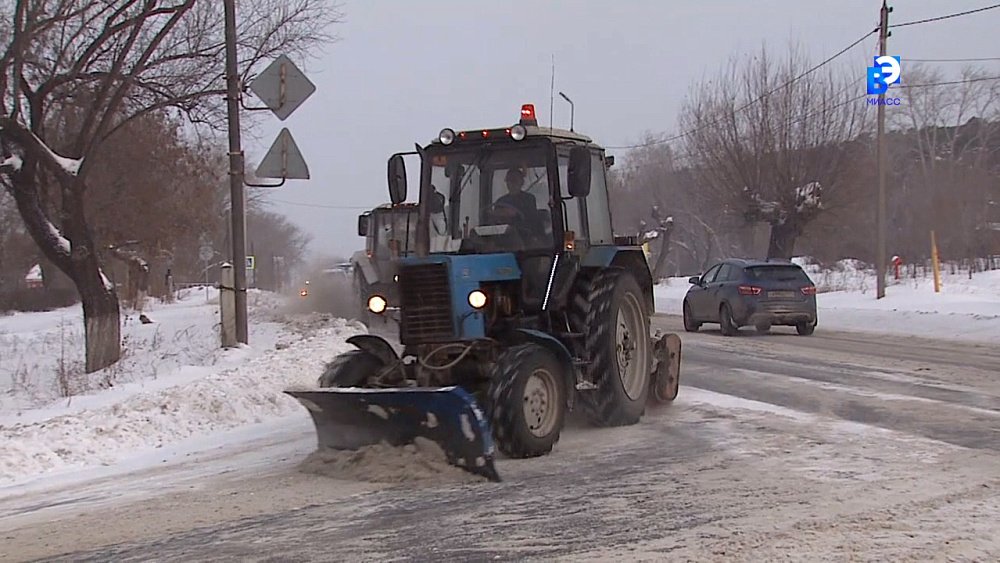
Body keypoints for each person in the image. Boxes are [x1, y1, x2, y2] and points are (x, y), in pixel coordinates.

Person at [491, 167, 543, 237]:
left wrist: (514, 214)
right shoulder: (500, 201)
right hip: (504, 237)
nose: (511, 183)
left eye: (514, 180)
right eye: (509, 180)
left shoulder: (529, 199)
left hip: (525, 237)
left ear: (522, 182)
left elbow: (532, 220)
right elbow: (496, 223)